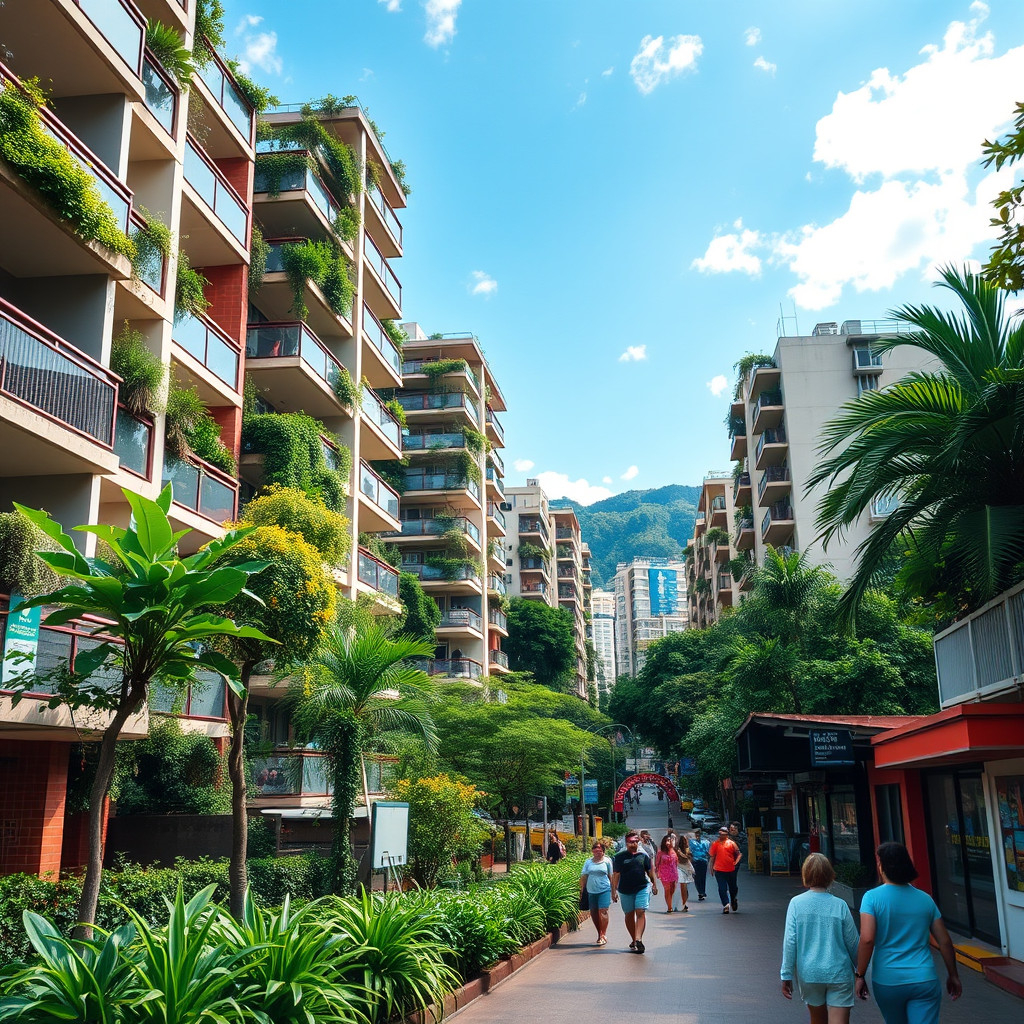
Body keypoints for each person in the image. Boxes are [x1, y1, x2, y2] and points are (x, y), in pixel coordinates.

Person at [855, 842, 962, 1023]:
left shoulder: (871, 898)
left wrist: (860, 975)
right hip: (924, 978)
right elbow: (944, 941)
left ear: (882, 866)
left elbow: (867, 939)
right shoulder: (925, 899)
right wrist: (953, 975)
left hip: (888, 980)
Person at [780, 853, 859, 1024]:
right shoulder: (840, 905)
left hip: (810, 973)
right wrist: (861, 973)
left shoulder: (796, 904)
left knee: (817, 1020)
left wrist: (786, 974)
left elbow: (790, 941)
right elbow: (853, 943)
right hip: (839, 974)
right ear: (829, 875)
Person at [611, 830, 658, 953]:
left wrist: (654, 884)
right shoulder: (619, 857)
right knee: (629, 914)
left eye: (636, 841)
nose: (634, 844)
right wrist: (613, 891)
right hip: (625, 889)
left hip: (642, 887)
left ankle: (638, 939)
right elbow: (616, 874)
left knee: (640, 911)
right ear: (626, 843)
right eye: (631, 842)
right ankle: (634, 939)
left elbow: (650, 871)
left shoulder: (643, 856)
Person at [580, 841, 614, 946]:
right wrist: (582, 889)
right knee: (594, 912)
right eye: (595, 850)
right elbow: (584, 876)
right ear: (592, 851)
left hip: (604, 889)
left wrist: (613, 891)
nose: (598, 852)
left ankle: (603, 934)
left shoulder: (607, 861)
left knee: (603, 911)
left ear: (603, 852)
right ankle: (599, 933)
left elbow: (611, 876)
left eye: (600, 850)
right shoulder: (588, 862)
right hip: (591, 890)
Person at [709, 825, 743, 914]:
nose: (721, 836)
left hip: (731, 869)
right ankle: (726, 904)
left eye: (723, 834)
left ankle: (733, 899)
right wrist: (711, 868)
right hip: (719, 870)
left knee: (733, 887)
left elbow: (739, 854)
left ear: (727, 835)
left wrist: (736, 862)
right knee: (722, 888)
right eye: (720, 834)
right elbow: (712, 857)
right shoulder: (715, 844)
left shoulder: (731, 843)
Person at [655, 835, 679, 913]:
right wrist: (657, 872)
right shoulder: (660, 852)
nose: (667, 842)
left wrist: (677, 874)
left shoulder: (674, 851)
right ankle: (669, 907)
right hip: (664, 874)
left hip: (673, 873)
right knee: (667, 889)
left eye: (669, 840)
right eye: (666, 841)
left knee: (672, 889)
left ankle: (670, 902)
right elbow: (657, 863)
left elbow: (676, 863)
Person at [690, 826, 711, 901]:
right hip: (695, 861)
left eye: (698, 834)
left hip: (703, 861)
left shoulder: (705, 842)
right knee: (697, 878)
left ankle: (702, 891)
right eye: (696, 834)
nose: (697, 835)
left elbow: (709, 852)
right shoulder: (691, 842)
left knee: (703, 877)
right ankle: (700, 892)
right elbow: (689, 852)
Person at [675, 832, 694, 911]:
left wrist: (681, 853)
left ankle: (684, 904)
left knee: (684, 887)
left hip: (686, 868)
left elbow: (688, 858)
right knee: (682, 887)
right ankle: (682, 904)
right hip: (680, 868)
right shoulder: (677, 849)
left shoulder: (687, 849)